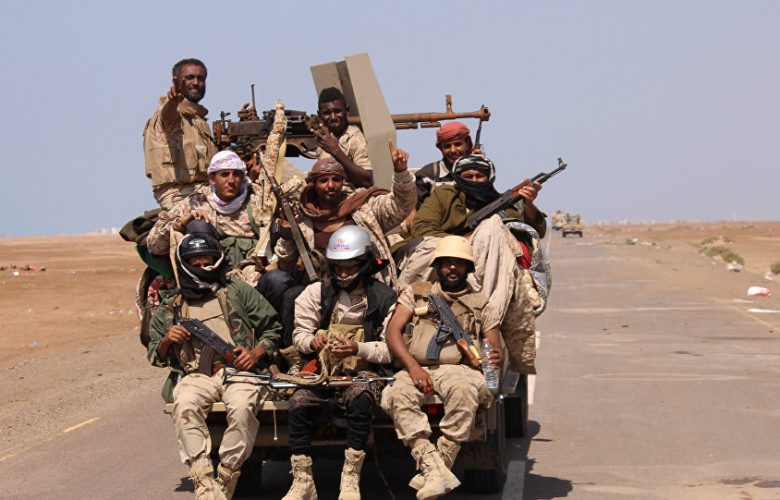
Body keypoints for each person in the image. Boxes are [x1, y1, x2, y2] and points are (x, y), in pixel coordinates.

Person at [146, 233, 282, 499]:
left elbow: (273, 329)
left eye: (207, 260)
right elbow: (155, 356)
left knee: (242, 407)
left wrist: (255, 354)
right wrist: (167, 340)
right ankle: (204, 479)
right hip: (197, 376)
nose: (202, 266)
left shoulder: (236, 291)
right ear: (184, 264)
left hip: (240, 373)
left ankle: (226, 475)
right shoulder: (172, 306)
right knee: (184, 406)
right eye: (195, 261)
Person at [397, 154, 544, 374]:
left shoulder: (501, 202)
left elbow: (533, 230)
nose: (475, 180)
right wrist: (462, 242)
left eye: (479, 176)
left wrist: (529, 203)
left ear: (489, 178)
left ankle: (487, 310)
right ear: (458, 177)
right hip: (442, 258)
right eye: (468, 176)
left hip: (483, 264)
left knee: (494, 228)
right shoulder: (445, 195)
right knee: (428, 247)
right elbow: (422, 228)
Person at [381, 236, 502, 500]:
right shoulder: (416, 293)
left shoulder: (481, 303)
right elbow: (393, 332)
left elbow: (492, 346)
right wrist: (413, 367)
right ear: (437, 265)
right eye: (447, 262)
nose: (452, 268)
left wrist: (492, 356)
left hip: (459, 369)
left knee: (465, 391)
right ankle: (431, 465)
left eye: (459, 263)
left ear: (468, 268)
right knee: (396, 395)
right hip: (416, 367)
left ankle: (437, 467)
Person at [281, 226, 396, 500]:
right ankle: (302, 480)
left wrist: (358, 348)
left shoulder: (385, 298)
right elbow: (299, 334)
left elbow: (392, 350)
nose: (343, 273)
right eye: (338, 267)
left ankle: (351, 477)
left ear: (364, 263)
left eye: (350, 267)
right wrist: (312, 343)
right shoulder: (315, 293)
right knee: (298, 403)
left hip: (363, 373)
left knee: (361, 401)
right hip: (322, 373)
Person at [146, 150, 296, 309]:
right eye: (224, 174)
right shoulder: (196, 202)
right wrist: (181, 223)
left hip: (254, 278)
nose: (231, 180)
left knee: (279, 280)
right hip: (212, 284)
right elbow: (154, 245)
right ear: (212, 178)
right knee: (198, 225)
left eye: (237, 174)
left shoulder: (259, 199)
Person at [274, 142, 415, 292]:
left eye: (336, 179)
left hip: (366, 288)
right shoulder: (303, 219)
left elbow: (400, 206)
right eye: (323, 180)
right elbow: (287, 266)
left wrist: (401, 173)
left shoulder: (362, 208)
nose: (331, 185)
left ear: (343, 182)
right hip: (322, 291)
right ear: (314, 184)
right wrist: (287, 236)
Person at [143, 58, 218, 209]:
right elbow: (169, 118)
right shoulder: (170, 113)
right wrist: (173, 102)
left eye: (201, 78)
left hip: (205, 191)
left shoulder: (198, 121)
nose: (196, 83)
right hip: (179, 195)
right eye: (189, 77)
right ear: (175, 81)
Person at [311, 87, 373, 188]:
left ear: (346, 110)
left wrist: (336, 151)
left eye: (337, 111)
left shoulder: (355, 138)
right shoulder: (323, 140)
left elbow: (367, 180)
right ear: (319, 115)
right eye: (327, 113)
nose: (333, 117)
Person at [414, 121, 476, 209]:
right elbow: (417, 211)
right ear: (440, 148)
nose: (453, 150)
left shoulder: (477, 174)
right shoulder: (427, 176)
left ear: (467, 144)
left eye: (458, 144)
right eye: (447, 146)